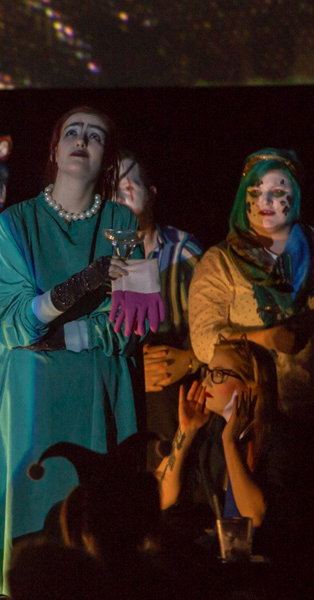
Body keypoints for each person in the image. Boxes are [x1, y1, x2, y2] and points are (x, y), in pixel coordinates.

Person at [0, 106, 146, 595]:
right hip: (32, 398)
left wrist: (64, 335)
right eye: (73, 131)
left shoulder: (122, 223)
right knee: (33, 529)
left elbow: (131, 323)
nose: (82, 140)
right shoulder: (15, 224)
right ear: (54, 150)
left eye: (95, 135)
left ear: (106, 157)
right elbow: (6, 319)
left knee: (94, 529)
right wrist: (81, 284)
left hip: (97, 390)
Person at [188, 148, 314, 424]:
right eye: (256, 191)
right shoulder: (221, 262)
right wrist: (267, 338)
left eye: (278, 191)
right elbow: (204, 341)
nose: (266, 200)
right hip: (261, 418)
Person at [115, 151, 204, 469]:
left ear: (151, 193)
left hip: (172, 403)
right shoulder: (94, 260)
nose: (120, 194)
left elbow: (216, 329)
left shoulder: (184, 252)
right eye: (111, 188)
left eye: (128, 184)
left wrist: (189, 359)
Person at [156, 338, 293, 543]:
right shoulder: (213, 431)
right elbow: (162, 496)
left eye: (218, 374)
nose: (206, 382)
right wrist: (186, 430)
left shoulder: (279, 437)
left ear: (251, 385)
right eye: (208, 372)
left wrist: (230, 444)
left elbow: (254, 516)